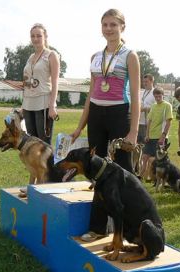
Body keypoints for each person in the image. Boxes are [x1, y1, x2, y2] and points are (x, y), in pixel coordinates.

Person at [71, 8, 140, 241]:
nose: (108, 29)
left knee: (123, 171)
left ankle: (134, 226)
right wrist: (81, 125)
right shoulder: (95, 57)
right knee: (97, 171)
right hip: (97, 116)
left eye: (113, 24)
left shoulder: (130, 55)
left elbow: (136, 96)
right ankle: (98, 228)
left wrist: (133, 131)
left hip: (120, 114)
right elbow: (90, 94)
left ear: (122, 27)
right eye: (105, 25)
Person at [22, 23, 59, 145]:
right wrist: (23, 105)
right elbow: (26, 83)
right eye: (33, 36)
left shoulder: (51, 55)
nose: (35, 39)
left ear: (45, 36)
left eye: (39, 35)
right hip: (28, 104)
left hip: (43, 104)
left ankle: (47, 165)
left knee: (43, 144)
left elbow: (55, 83)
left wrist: (52, 105)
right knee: (31, 143)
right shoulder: (30, 57)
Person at [139, 87, 173, 179]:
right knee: (144, 157)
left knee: (155, 160)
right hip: (150, 136)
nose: (158, 98)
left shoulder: (167, 105)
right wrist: (147, 134)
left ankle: (156, 179)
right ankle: (141, 177)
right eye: (156, 97)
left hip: (160, 137)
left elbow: (169, 122)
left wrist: (163, 136)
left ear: (163, 96)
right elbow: (149, 121)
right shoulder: (153, 106)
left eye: (159, 96)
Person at [138, 74, 155, 144]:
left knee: (147, 144)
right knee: (138, 145)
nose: (144, 83)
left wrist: (145, 109)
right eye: (143, 82)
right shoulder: (141, 92)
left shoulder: (155, 93)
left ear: (152, 81)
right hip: (139, 122)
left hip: (149, 124)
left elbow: (158, 107)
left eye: (146, 82)